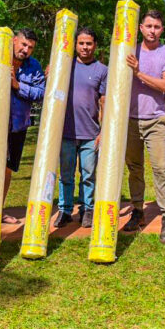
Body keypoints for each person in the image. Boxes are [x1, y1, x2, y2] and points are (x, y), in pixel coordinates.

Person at [0, 28, 45, 224]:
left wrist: (17, 85)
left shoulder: (34, 66)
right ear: (14, 41)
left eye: (30, 47)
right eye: (23, 44)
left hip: (17, 126)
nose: (26, 50)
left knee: (7, 169)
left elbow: (41, 93)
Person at [121, 10, 165, 244]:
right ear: (141, 28)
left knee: (160, 168)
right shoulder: (129, 50)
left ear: (161, 30)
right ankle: (138, 211)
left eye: (157, 27)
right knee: (134, 168)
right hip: (130, 119)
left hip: (155, 119)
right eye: (148, 26)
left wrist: (138, 73)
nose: (152, 30)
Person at [54, 27, 108, 228]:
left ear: (94, 45)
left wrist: (103, 131)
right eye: (81, 43)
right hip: (66, 132)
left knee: (88, 175)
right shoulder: (64, 67)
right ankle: (65, 210)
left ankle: (87, 209)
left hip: (90, 134)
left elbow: (104, 102)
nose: (85, 47)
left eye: (89, 43)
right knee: (66, 174)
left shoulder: (102, 70)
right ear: (75, 45)